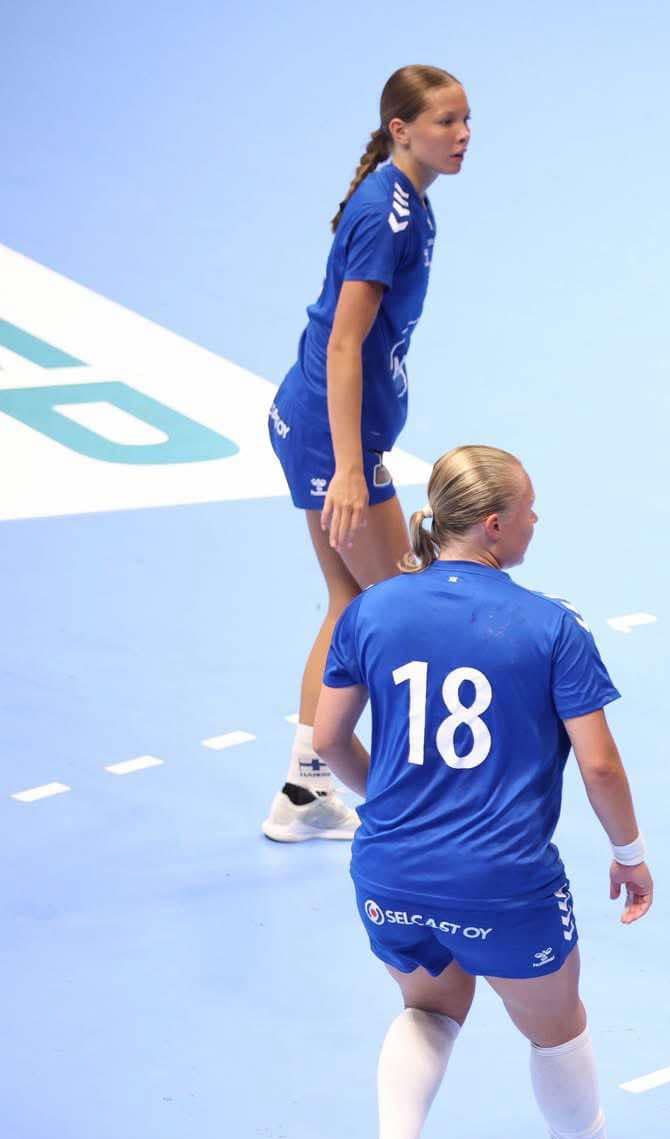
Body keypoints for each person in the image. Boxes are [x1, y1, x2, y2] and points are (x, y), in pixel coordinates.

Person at [313, 445, 652, 1139]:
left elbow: (327, 740)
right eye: (529, 509)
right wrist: (629, 853)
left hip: (389, 867)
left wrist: (392, 805)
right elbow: (600, 765)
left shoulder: (372, 610)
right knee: (555, 1021)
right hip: (502, 879)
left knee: (430, 1006)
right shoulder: (552, 626)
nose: (537, 520)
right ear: (495, 525)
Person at [263, 64, 471, 842]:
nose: (462, 135)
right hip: (330, 438)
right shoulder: (386, 215)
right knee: (409, 613)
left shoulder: (408, 201)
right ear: (400, 130)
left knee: (351, 603)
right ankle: (414, 800)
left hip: (316, 425)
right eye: (446, 122)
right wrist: (351, 471)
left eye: (467, 121)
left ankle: (307, 791)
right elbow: (345, 344)